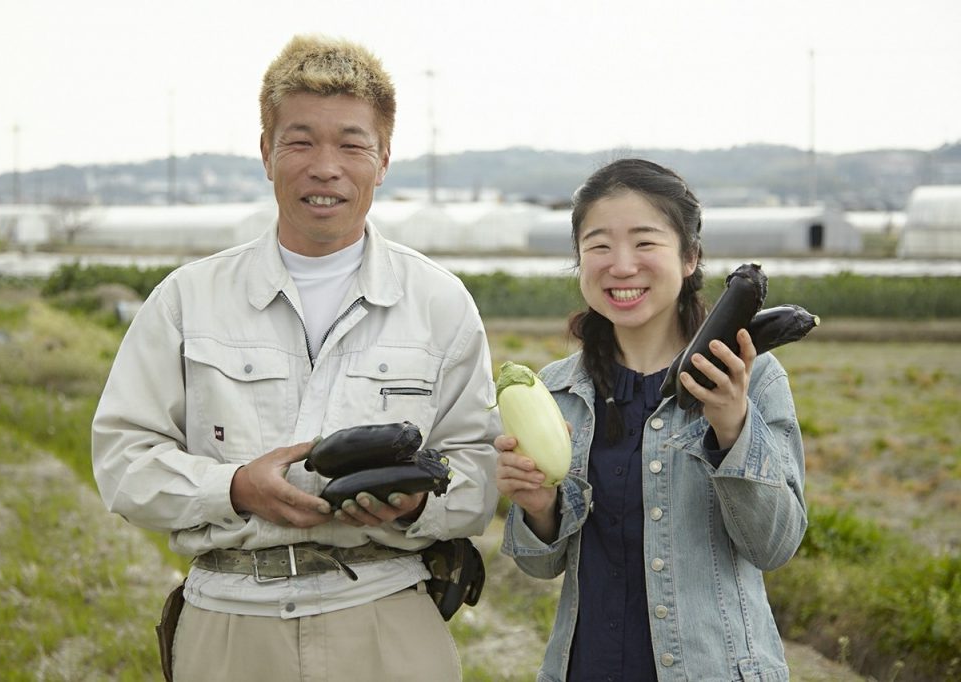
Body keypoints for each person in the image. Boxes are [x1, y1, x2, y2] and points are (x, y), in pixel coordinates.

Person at [91, 34, 499, 682]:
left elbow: (479, 468)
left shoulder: (439, 304)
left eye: (352, 144)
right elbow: (121, 460)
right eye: (301, 141)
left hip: (386, 613)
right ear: (267, 153)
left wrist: (417, 506)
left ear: (384, 158)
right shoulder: (186, 300)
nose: (325, 166)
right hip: (228, 622)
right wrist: (233, 488)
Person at [495, 158, 807, 681]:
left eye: (645, 242)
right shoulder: (553, 391)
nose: (620, 265)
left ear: (690, 257)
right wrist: (537, 507)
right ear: (579, 260)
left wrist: (733, 425)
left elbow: (774, 546)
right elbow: (540, 564)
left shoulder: (754, 378)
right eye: (598, 246)